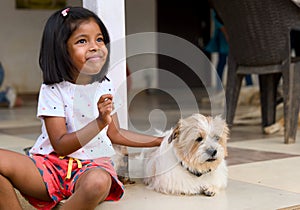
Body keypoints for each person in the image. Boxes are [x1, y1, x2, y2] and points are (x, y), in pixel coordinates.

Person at [0, 7, 163, 210]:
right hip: (49, 165)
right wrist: (99, 122)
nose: (95, 47)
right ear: (61, 50)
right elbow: (60, 145)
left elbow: (116, 133)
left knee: (98, 182)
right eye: (82, 41)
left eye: (99, 39)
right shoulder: (53, 90)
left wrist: (158, 141)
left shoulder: (106, 86)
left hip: (92, 166)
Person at [205, 9, 253, 89]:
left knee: (243, 61)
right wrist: (226, 34)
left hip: (237, 35)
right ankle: (219, 86)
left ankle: (249, 85)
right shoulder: (218, 7)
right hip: (224, 38)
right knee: (222, 60)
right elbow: (217, 19)